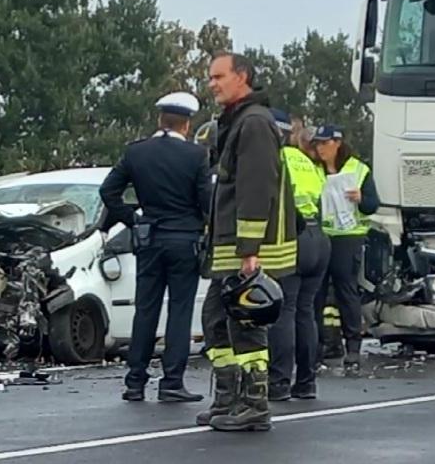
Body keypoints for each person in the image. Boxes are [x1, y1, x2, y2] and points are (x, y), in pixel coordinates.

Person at [197, 53, 298, 432]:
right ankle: (229, 397)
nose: (212, 83)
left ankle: (254, 403)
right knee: (216, 320)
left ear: (242, 77)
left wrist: (250, 249)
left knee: (245, 321)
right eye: (210, 77)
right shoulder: (240, 120)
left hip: (248, 247)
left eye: (219, 76)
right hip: (231, 244)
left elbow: (257, 188)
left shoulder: (254, 123)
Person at [99, 92, 210, 404]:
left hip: (148, 238)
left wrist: (133, 219)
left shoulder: (137, 153)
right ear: (187, 124)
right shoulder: (196, 156)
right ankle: (172, 381)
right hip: (184, 240)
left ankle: (135, 381)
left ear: (160, 120)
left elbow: (108, 192)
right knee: (179, 311)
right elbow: (207, 202)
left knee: (145, 310)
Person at [267, 110, 331, 401]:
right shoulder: (303, 159)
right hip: (318, 237)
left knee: (284, 311)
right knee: (306, 312)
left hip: (292, 236)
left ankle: (278, 382)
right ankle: (306, 381)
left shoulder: (273, 159)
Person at [311, 124, 379, 371]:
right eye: (316, 144)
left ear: (337, 143)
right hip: (320, 236)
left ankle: (352, 348)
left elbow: (373, 204)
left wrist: (361, 198)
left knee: (346, 291)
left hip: (348, 238)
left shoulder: (358, 170)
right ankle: (315, 349)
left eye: (324, 143)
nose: (319, 149)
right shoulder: (313, 169)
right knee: (315, 294)